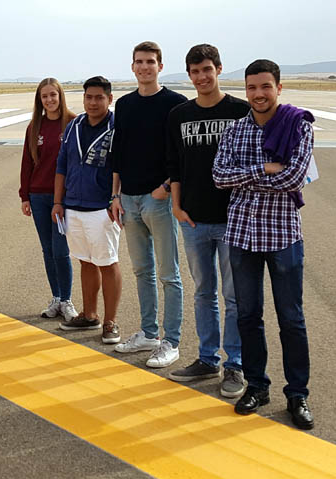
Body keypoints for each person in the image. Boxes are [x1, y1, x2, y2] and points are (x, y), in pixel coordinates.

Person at [213, 59, 315, 430]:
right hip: (241, 235)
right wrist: (264, 169)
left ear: (279, 88)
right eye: (252, 87)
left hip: (283, 235)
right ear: (246, 89)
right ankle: (257, 385)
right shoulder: (235, 130)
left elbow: (293, 178)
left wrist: (249, 176)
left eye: (265, 87)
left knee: (291, 318)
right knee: (247, 316)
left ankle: (297, 393)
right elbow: (219, 178)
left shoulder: (298, 125)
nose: (258, 94)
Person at [164, 44, 250, 398]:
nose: (202, 77)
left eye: (207, 70)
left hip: (233, 220)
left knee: (234, 296)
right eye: (195, 72)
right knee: (203, 293)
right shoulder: (179, 115)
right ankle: (206, 358)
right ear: (189, 75)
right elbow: (175, 166)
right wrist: (178, 208)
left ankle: (235, 366)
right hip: (194, 220)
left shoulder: (240, 111)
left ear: (218, 70)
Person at [110, 41, 187, 368]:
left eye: (150, 62)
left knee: (168, 273)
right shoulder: (125, 105)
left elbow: (181, 156)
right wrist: (115, 195)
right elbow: (118, 153)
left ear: (160, 66)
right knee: (142, 271)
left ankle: (171, 341)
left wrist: (167, 188)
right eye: (139, 62)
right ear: (132, 67)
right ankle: (148, 333)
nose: (144, 67)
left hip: (159, 200)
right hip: (128, 198)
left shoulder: (175, 103)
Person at [50, 76, 122, 345]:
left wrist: (115, 198)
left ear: (109, 99)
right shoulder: (73, 126)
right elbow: (61, 166)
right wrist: (58, 202)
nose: (93, 102)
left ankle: (110, 321)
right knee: (85, 260)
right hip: (73, 207)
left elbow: (122, 167)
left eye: (99, 97)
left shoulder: (117, 127)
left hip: (102, 207)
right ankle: (89, 313)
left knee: (107, 262)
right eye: (88, 97)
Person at [19, 78, 79, 322]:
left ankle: (67, 300)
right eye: (45, 96)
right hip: (38, 195)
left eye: (53, 95)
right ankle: (56, 298)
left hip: (62, 199)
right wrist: (25, 195)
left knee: (61, 250)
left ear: (60, 96)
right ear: (39, 100)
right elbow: (27, 162)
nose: (49, 100)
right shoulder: (35, 127)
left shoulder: (73, 122)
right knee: (47, 249)